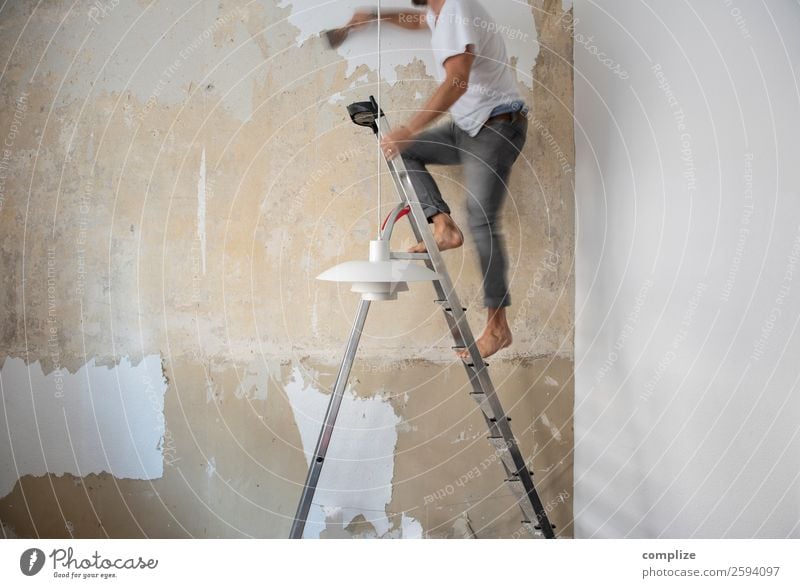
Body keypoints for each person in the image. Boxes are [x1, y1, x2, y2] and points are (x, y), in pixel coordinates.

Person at [347, 0, 529, 358]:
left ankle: (498, 327)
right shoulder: (440, 12)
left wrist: (409, 127)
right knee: (404, 151)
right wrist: (376, 16)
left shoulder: (457, 6)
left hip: (497, 126)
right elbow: (417, 20)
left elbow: (457, 80)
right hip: (470, 128)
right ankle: (442, 224)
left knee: (481, 218)